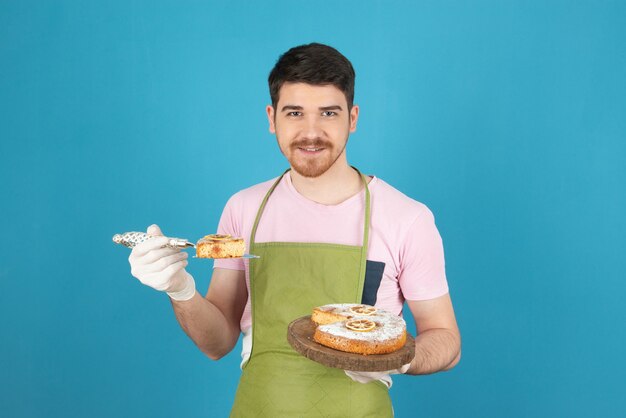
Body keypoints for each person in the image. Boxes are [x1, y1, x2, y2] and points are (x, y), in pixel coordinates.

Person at [128, 43, 461, 417]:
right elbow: (217, 342)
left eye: (329, 113)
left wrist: (397, 361)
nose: (311, 132)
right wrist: (180, 289)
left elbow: (446, 338)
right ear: (272, 118)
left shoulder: (407, 217)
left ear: (353, 118)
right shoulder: (245, 209)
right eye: (295, 113)